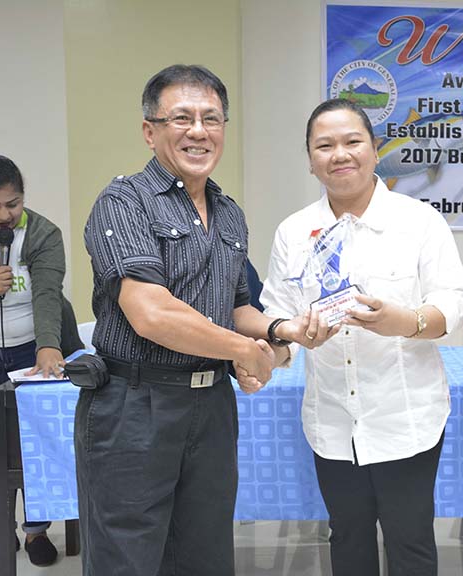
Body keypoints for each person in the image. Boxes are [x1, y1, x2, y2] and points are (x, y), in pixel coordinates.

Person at [77, 64, 328, 576]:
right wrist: (243, 352)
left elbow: (237, 309)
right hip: (135, 407)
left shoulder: (229, 213)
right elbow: (151, 313)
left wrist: (283, 331)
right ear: (150, 131)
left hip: (211, 406)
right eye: (182, 118)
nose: (199, 131)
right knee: (129, 556)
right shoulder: (123, 203)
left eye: (211, 119)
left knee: (205, 552)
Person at [260, 98, 463, 576]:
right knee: (348, 539)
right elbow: (276, 311)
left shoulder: (418, 220)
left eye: (353, 142)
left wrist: (408, 322)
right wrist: (289, 338)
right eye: (325, 145)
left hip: (406, 417)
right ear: (311, 159)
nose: (340, 154)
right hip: (333, 420)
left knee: (411, 541)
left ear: (375, 149)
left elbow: (455, 302)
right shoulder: (295, 232)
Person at [0, 154, 76, 570]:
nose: (4, 215)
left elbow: (48, 291)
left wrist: (48, 345)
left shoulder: (42, 232)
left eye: (12, 203)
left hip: (33, 349)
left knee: (35, 442)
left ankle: (36, 531)